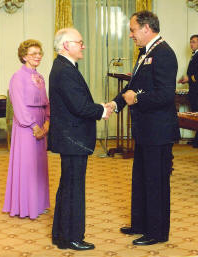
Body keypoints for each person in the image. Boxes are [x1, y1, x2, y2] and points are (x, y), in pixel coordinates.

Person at [106, 11, 180, 245]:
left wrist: (136, 99)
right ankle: (140, 223)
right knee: (141, 178)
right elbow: (132, 86)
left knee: (155, 182)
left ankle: (156, 232)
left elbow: (166, 96)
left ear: (147, 28)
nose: (130, 35)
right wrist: (115, 104)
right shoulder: (145, 53)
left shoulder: (164, 53)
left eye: (133, 29)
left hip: (158, 132)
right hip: (145, 130)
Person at [48, 28, 113, 251]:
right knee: (73, 188)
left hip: (70, 137)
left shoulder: (64, 66)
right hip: (72, 138)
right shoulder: (65, 70)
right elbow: (79, 106)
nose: (83, 46)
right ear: (66, 45)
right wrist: (102, 110)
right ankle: (72, 237)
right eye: (80, 42)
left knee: (68, 186)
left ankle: (61, 234)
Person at [3, 39, 50, 219]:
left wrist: (46, 123)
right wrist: (34, 126)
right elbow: (19, 106)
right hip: (26, 126)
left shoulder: (40, 77)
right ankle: (25, 206)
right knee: (27, 165)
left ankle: (38, 204)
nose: (37, 57)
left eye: (39, 53)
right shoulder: (17, 77)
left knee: (38, 166)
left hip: (40, 124)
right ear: (24, 57)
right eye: (33, 54)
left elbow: (46, 102)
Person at [178, 35, 198, 147]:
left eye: (194, 42)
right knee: (195, 114)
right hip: (194, 90)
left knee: (196, 114)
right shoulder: (194, 55)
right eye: (191, 42)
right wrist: (186, 80)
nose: (191, 44)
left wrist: (189, 79)